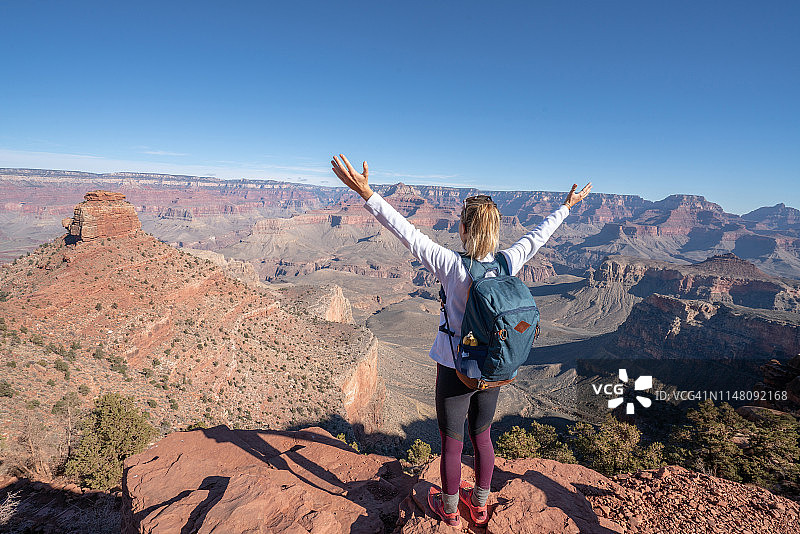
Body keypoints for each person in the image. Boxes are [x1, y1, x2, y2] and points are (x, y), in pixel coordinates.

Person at [331, 154, 591, 528]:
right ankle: (480, 505)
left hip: (456, 367)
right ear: (497, 230)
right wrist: (566, 207)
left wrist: (367, 192)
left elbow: (405, 232)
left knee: (452, 442)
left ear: (465, 230)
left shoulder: (452, 266)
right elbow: (538, 237)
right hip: (495, 367)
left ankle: (450, 509)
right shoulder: (508, 262)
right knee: (482, 436)